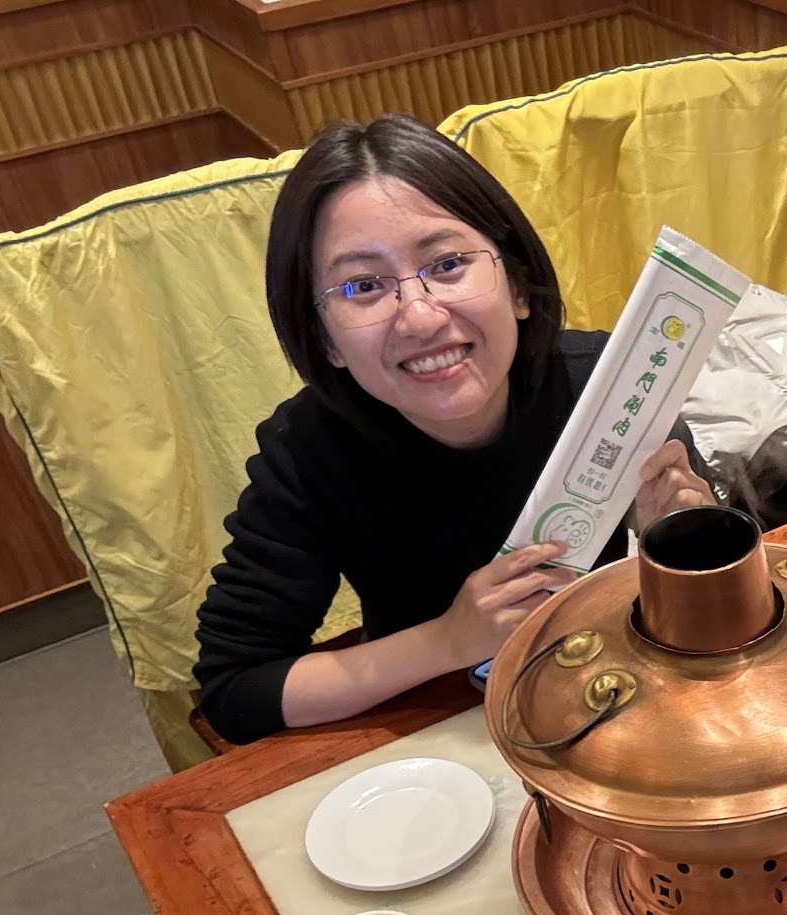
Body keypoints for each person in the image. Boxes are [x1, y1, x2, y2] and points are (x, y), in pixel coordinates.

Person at [195, 114, 714, 744]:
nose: (419, 317)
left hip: (608, 698)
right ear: (325, 340)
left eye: (446, 264)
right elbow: (235, 689)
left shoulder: (611, 385)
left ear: (517, 286)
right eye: (363, 285)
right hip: (435, 730)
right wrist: (448, 639)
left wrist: (686, 537)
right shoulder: (307, 452)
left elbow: (724, 600)